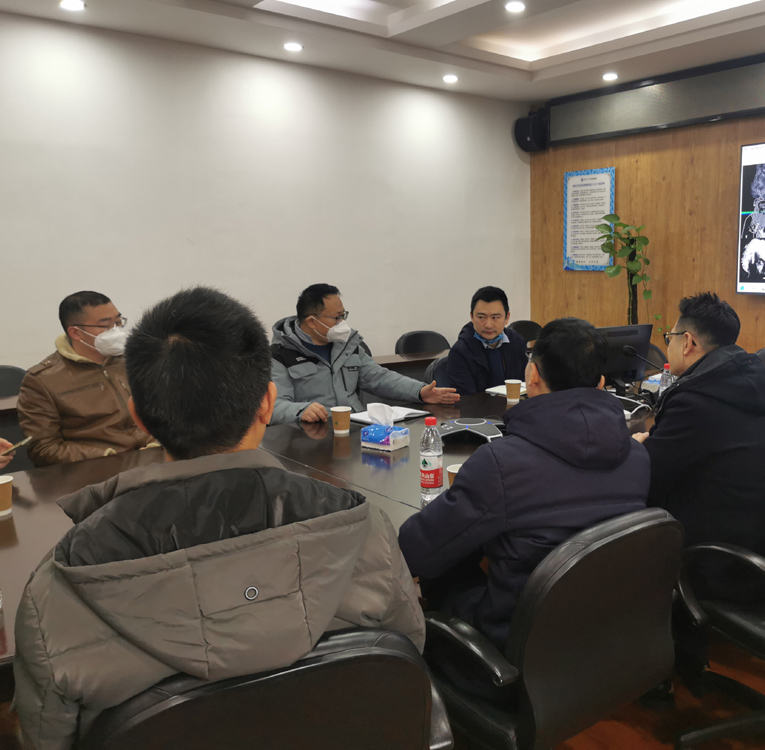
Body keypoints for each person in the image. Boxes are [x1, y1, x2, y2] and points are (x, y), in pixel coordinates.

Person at [14, 287, 424, 750]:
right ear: (267, 404)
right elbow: (406, 660)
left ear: (140, 418)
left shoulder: (61, 582)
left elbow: (47, 736)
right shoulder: (363, 528)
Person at [398, 317, 649, 650]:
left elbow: (415, 551)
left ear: (532, 376)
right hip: (607, 629)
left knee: (444, 568)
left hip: (517, 638)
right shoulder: (638, 456)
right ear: (601, 383)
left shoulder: (501, 463)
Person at [636, 293, 765, 604]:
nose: (669, 345)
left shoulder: (696, 399)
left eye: (670, 338)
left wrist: (637, 448)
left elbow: (647, 477)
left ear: (688, 342)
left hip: (724, 566)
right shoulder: (753, 375)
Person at [270, 284, 459, 424]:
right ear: (312, 321)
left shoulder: (346, 345)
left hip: (356, 429)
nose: (342, 323)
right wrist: (302, 410)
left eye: (343, 315)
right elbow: (273, 407)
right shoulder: (280, 355)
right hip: (312, 436)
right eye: (337, 318)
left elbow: (379, 378)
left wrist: (418, 391)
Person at [17, 291, 155, 467]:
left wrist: (161, 442)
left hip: (153, 457)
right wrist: (108, 456)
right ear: (76, 333)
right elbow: (44, 448)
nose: (116, 330)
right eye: (106, 325)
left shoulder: (133, 359)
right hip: (98, 469)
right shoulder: (42, 380)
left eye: (118, 322)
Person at [445, 286, 529, 395]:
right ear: (472, 316)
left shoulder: (517, 343)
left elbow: (526, 385)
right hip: (478, 406)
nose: (488, 325)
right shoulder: (460, 351)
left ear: (507, 317)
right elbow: (466, 398)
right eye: (481, 317)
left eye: (495, 317)